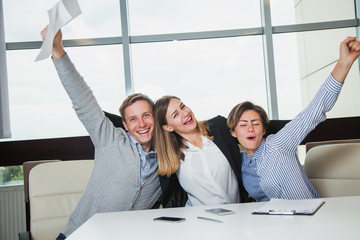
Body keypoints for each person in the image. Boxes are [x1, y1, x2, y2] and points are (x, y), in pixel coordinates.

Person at [40, 27, 186, 240]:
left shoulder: (166, 156)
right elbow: (83, 100)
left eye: (146, 115)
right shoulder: (110, 139)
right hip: (80, 235)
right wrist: (58, 52)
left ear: (155, 117)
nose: (142, 124)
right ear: (125, 125)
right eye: (133, 119)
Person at [226, 36, 360, 202]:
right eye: (243, 125)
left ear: (264, 129)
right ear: (233, 132)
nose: (250, 129)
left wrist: (344, 63)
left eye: (255, 123)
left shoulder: (277, 145)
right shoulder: (240, 162)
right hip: (271, 223)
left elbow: (313, 111)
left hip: (308, 220)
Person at [154, 96, 249, 206]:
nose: (185, 113)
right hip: (199, 219)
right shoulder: (171, 157)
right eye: (176, 115)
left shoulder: (220, 126)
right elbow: (171, 199)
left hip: (237, 214)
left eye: (183, 106)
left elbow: (255, 129)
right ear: (168, 127)